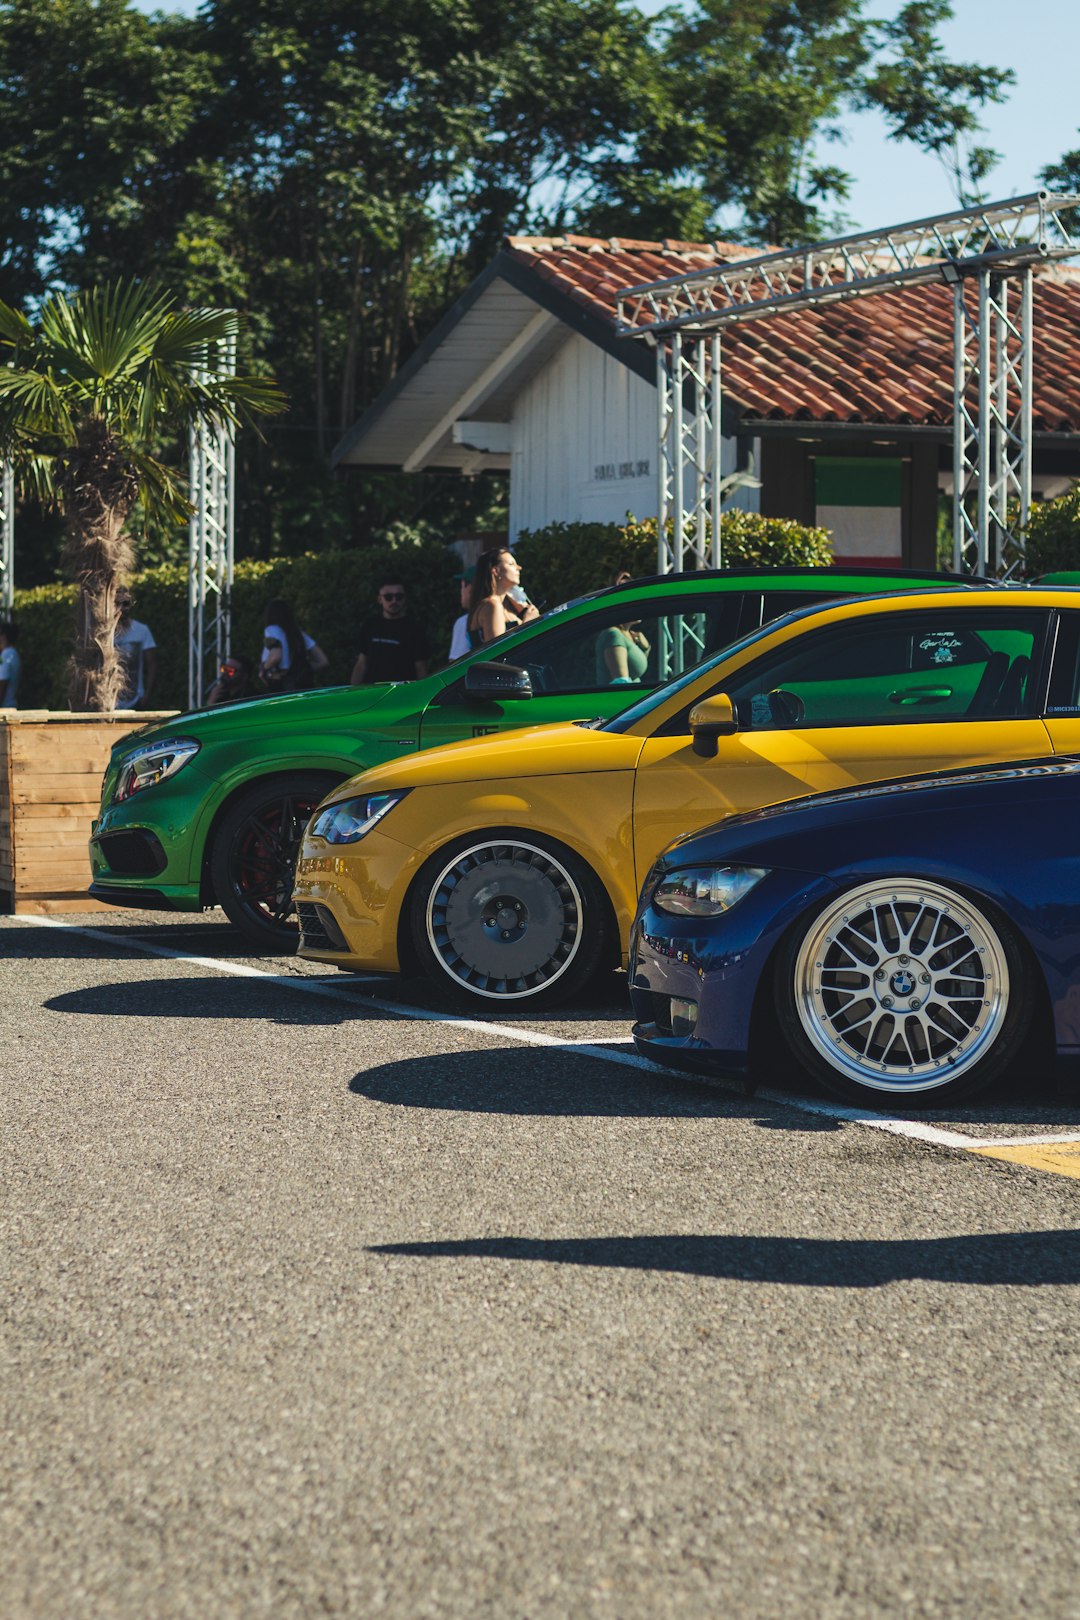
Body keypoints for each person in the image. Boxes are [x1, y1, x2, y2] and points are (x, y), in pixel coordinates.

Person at [351, 580, 430, 684]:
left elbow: (420, 666)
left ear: (405, 598)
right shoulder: (370, 625)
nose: (394, 601)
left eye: (399, 597)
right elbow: (362, 662)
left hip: (401, 692)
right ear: (380, 599)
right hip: (372, 691)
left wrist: (422, 691)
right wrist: (353, 691)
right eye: (388, 597)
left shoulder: (414, 628)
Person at [466, 548, 540, 647]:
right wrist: (526, 623)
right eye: (511, 564)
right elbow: (497, 649)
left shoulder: (501, 605)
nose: (519, 567)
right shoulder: (492, 605)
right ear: (496, 571)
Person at [259, 597, 329, 692]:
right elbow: (323, 661)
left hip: (280, 684)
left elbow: (275, 656)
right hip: (302, 687)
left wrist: (264, 669)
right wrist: (303, 670)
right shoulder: (299, 635)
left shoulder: (272, 630)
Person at [115, 590, 157, 709]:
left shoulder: (141, 630)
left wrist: (146, 696)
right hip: (108, 701)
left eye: (125, 604)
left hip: (135, 700)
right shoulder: (103, 634)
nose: (121, 608)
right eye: (117, 603)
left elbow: (152, 665)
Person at [595, 619, 650, 684]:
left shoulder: (626, 633)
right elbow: (621, 682)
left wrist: (645, 648)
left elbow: (635, 664)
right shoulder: (614, 635)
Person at [448, 566, 474, 662]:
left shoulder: (463, 623)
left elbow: (455, 664)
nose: (461, 592)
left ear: (469, 588)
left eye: (462, 586)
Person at [0, 619, 21, 707]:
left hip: (5, 710)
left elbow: (2, 683)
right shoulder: (13, 653)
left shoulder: (6, 655)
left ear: (3, 637)